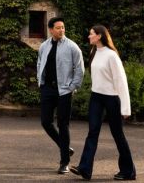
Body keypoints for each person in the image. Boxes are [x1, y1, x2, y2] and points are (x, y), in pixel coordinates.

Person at [70, 25, 136, 181]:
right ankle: (85, 168)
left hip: (112, 99)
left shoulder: (111, 55)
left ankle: (128, 171)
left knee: (118, 134)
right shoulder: (94, 52)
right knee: (92, 132)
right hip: (96, 97)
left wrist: (126, 108)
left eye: (91, 34)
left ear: (99, 36)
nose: (89, 36)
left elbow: (121, 81)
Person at [36, 16, 85, 175]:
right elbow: (39, 63)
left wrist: (73, 86)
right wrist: (40, 82)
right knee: (45, 122)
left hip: (64, 90)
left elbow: (79, 69)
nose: (61, 30)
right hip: (47, 89)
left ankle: (64, 162)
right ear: (51, 30)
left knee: (63, 125)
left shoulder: (72, 47)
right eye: (58, 28)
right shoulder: (44, 46)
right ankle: (65, 147)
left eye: (63, 27)